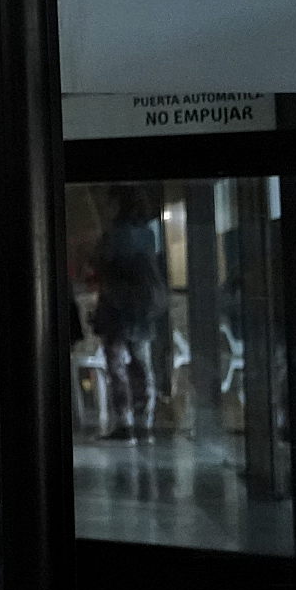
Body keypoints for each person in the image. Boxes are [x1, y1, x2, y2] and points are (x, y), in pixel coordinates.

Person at [89, 186, 171, 441]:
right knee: (141, 363)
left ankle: (124, 422)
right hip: (143, 308)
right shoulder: (149, 233)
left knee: (116, 364)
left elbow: (101, 263)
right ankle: (145, 421)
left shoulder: (115, 235)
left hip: (118, 304)